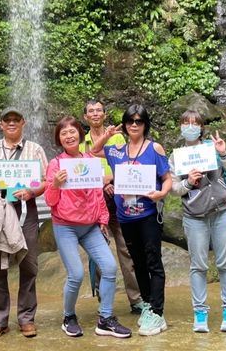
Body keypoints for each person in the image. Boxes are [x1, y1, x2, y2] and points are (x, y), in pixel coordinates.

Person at [45, 116, 132, 339]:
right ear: (59, 139)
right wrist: (55, 184)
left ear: (79, 134)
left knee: (110, 268)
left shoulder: (90, 160)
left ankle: (105, 319)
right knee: (75, 274)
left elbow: (97, 195)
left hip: (91, 226)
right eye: (64, 133)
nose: (69, 136)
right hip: (65, 226)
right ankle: (68, 317)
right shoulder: (56, 165)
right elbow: (50, 201)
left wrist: (103, 220)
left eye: (72, 131)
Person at [91, 104, 171, 336]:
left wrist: (162, 193)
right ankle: (147, 304)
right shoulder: (117, 150)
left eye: (138, 121)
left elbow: (166, 178)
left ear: (145, 124)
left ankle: (157, 311)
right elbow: (94, 152)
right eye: (130, 122)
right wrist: (106, 135)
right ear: (124, 126)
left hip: (148, 214)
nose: (134, 125)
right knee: (137, 262)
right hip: (126, 216)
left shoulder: (154, 148)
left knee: (153, 261)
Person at [0, 107, 48, 340]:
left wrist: (31, 191)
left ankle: (26, 318)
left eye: (16, 119)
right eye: (8, 120)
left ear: (23, 122)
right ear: (1, 124)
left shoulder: (35, 149)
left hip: (26, 209)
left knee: (28, 264)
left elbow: (45, 181)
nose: (12, 123)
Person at [168, 110, 226, 333]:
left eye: (195, 123)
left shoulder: (212, 148)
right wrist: (188, 182)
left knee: (225, 263)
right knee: (198, 266)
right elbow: (174, 190)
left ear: (201, 127)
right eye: (186, 122)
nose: (190, 126)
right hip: (194, 217)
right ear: (180, 127)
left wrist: (224, 153)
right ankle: (200, 313)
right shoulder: (176, 157)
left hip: (221, 212)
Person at [79, 99, 144, 315]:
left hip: (120, 197)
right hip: (94, 201)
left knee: (126, 248)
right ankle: (104, 300)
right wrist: (102, 183)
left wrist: (111, 181)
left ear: (105, 115)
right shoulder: (81, 142)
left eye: (99, 110)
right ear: (86, 117)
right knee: (98, 250)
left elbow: (127, 164)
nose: (95, 114)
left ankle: (136, 299)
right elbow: (79, 171)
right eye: (91, 111)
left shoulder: (117, 137)